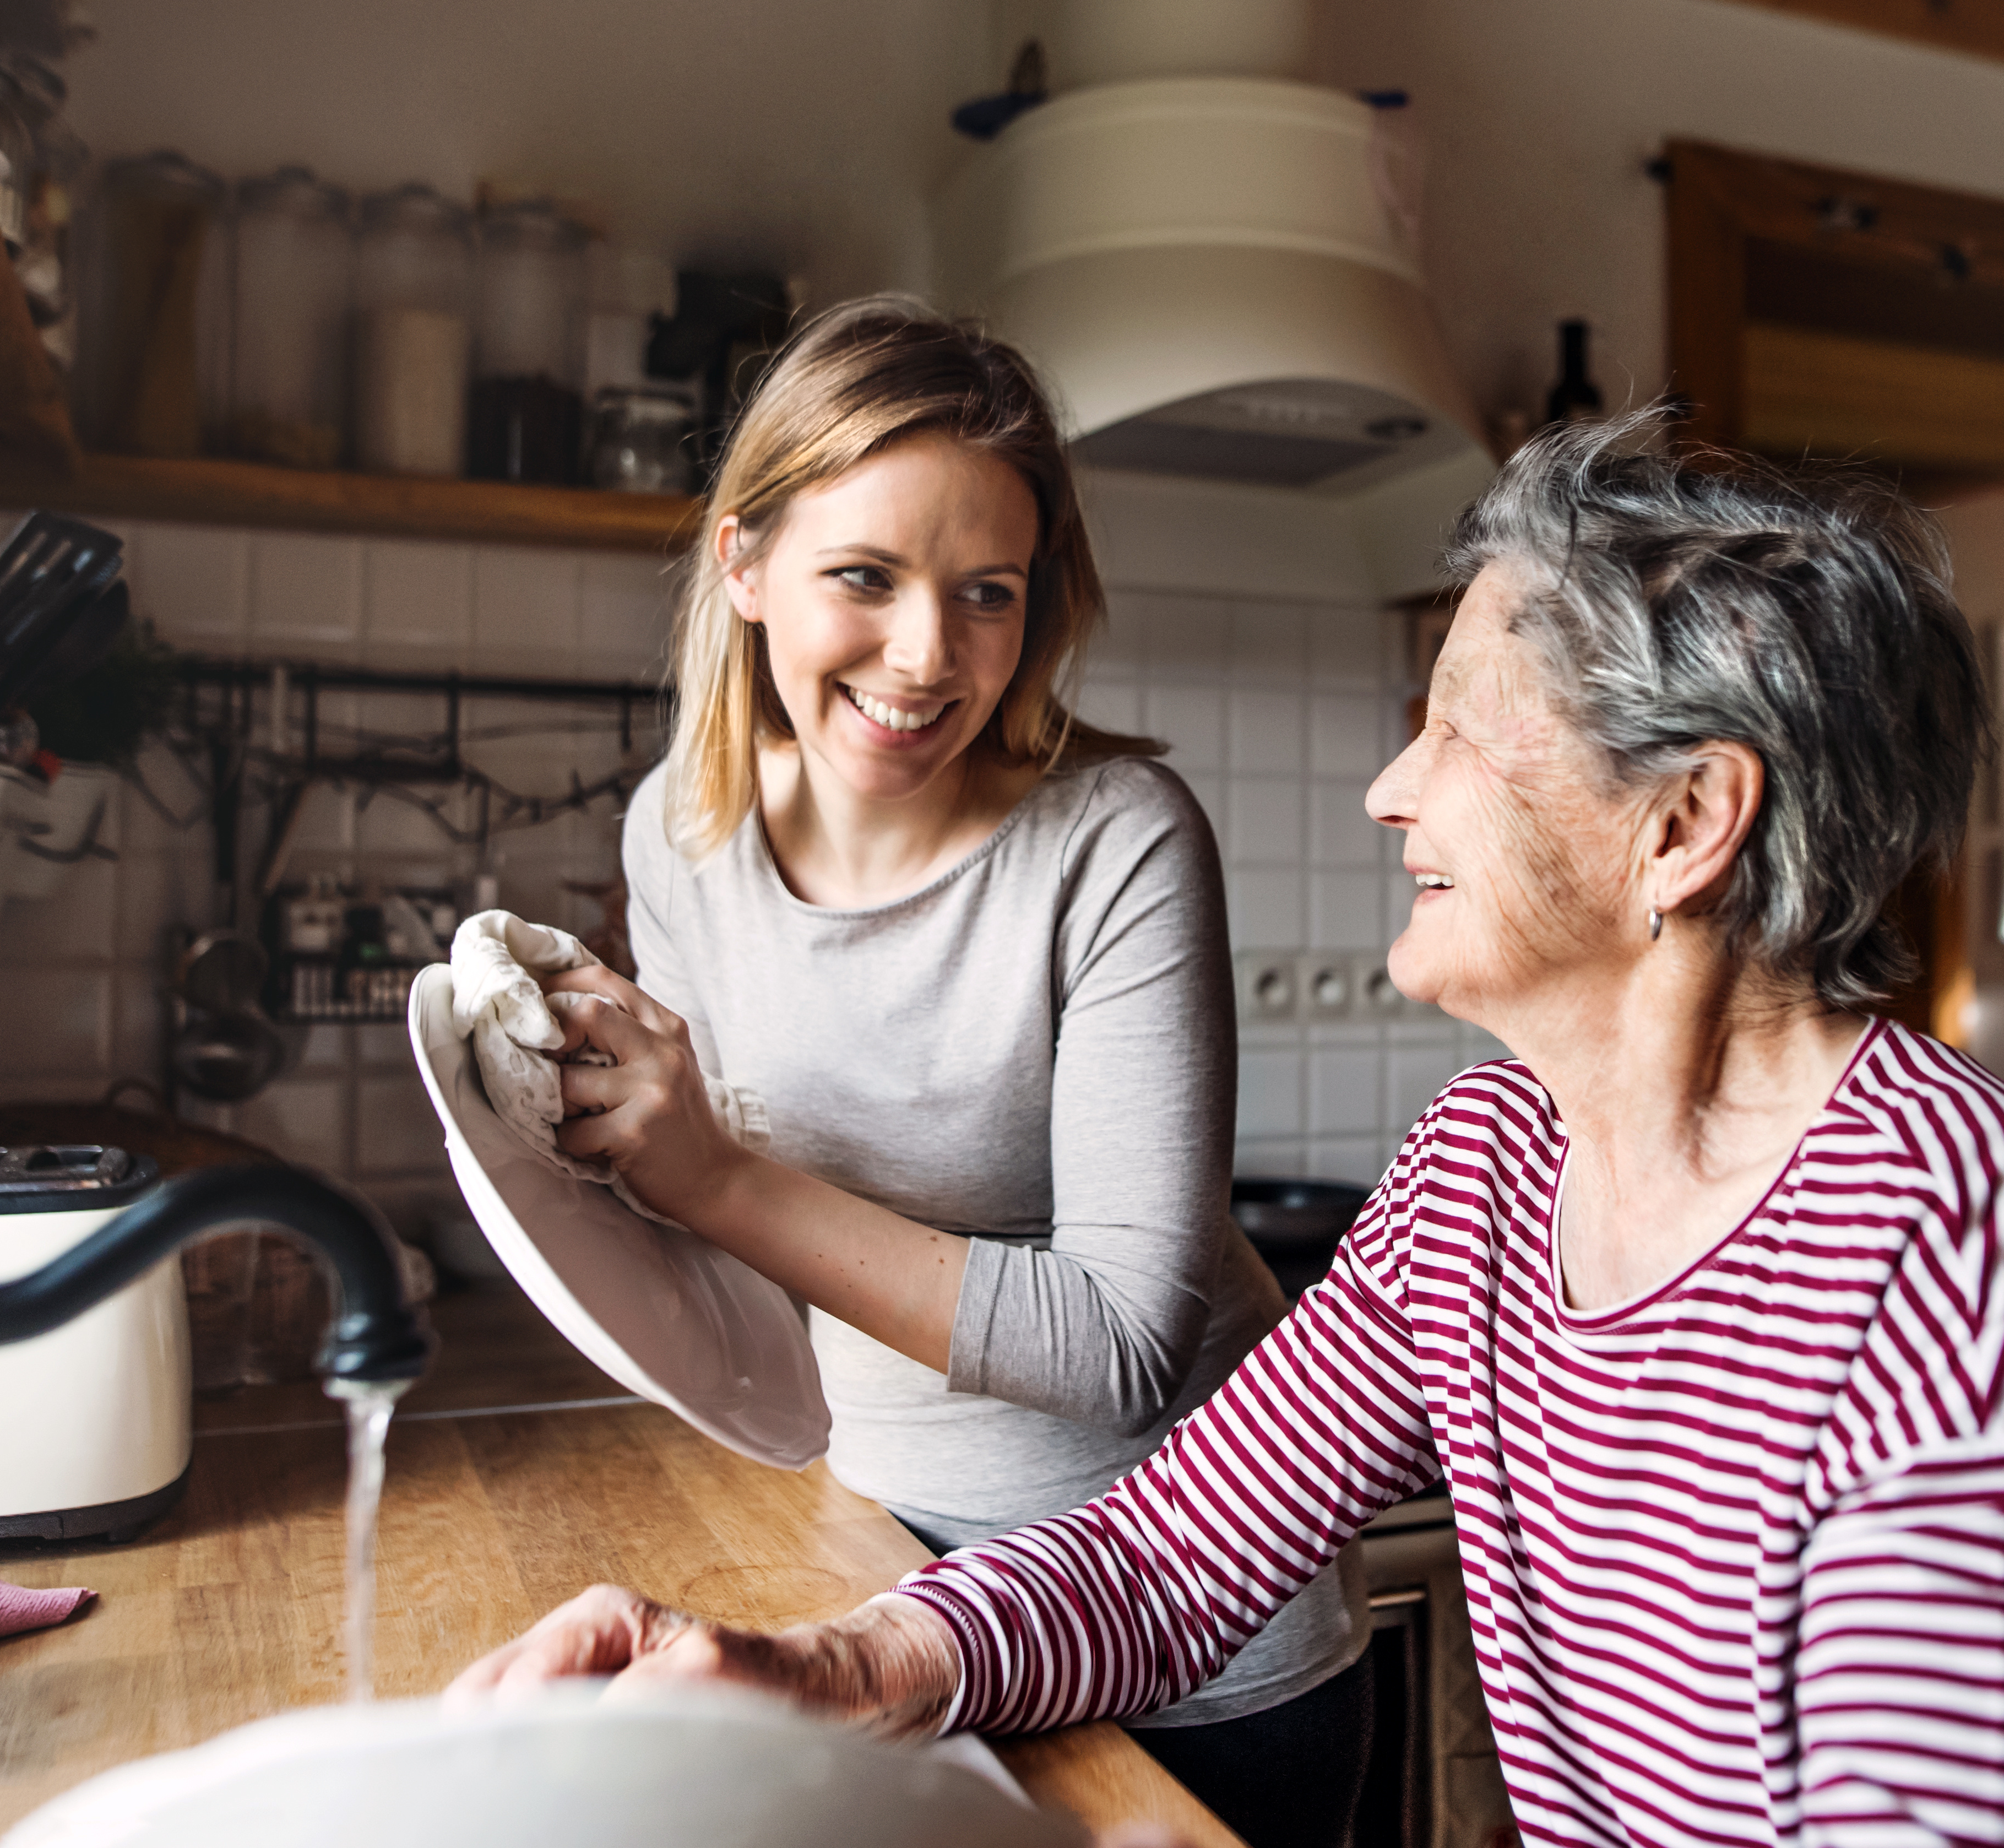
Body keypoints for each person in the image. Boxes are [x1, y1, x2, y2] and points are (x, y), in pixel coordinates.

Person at [459, 411, 2004, 1848]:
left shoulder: (1952, 1241)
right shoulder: (1492, 1163)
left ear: (1684, 826)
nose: (1393, 788)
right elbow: (1170, 1546)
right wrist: (826, 1667)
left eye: (1460, 732)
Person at [520, 297, 1371, 1848]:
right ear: (744, 562)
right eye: (866, 576)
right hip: (886, 1585)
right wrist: (575, 1127)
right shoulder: (680, 838)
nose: (929, 656)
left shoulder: (1120, 842)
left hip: (1193, 1650)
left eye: (989, 592)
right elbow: (741, 1265)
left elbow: (1122, 1343)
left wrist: (707, 1166)